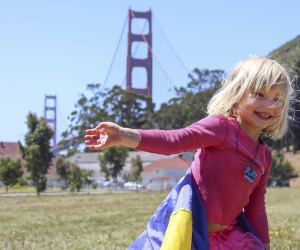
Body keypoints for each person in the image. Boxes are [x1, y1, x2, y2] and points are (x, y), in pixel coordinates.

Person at [84, 56, 294, 250]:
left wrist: (265, 245)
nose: (270, 105)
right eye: (259, 94)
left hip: (229, 239)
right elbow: (173, 141)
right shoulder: (220, 127)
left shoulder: (264, 156)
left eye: (278, 100)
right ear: (237, 94)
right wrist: (123, 135)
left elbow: (256, 207)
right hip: (189, 233)